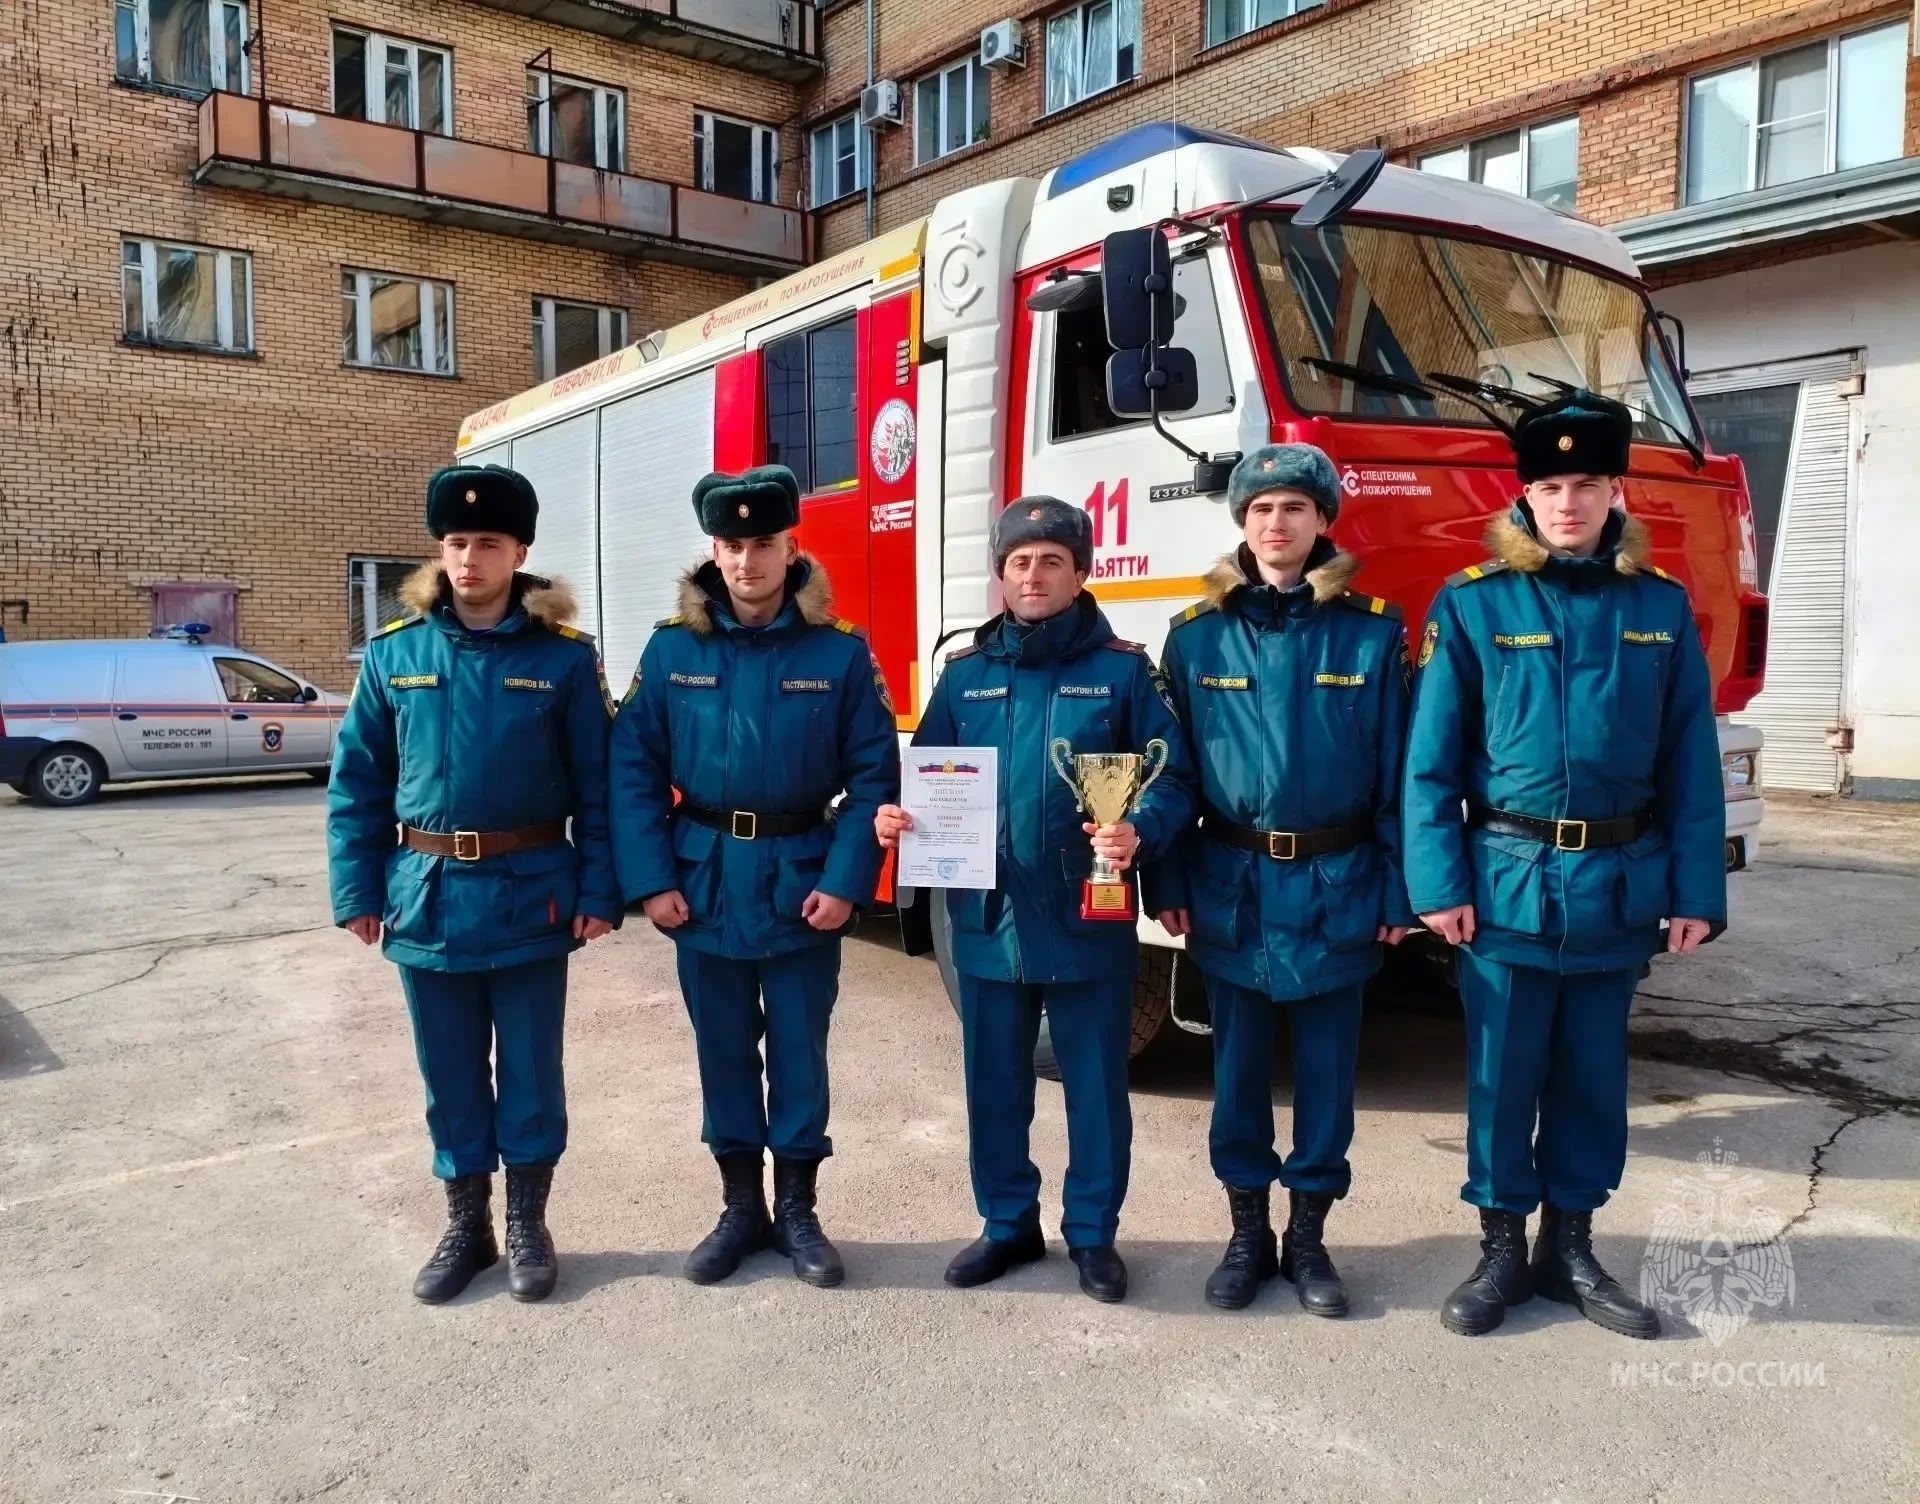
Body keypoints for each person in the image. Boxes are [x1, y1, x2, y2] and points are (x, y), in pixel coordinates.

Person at [1402, 391, 1726, 1339]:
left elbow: (1690, 762)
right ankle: (1501, 1248)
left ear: (1616, 490)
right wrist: (1438, 882)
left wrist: (1696, 890)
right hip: (1507, 880)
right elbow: (1430, 761)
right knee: (1502, 1076)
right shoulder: (1475, 603)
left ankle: (1571, 1248)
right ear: (1526, 497)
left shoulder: (1659, 606)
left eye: (1586, 483)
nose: (1569, 502)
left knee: (1591, 1079)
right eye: (1551, 486)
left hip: (1619, 885)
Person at [875, 498, 1193, 1304]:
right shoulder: (966, 675)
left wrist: (1141, 829)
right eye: (1019, 561)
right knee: (994, 1086)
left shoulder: (1123, 672)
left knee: (1095, 1088)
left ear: (1081, 573)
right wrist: (899, 814)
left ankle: (1092, 1234)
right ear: (1001, 574)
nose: (1033, 575)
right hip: (987, 915)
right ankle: (1006, 1224)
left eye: (1052, 560)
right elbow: (928, 775)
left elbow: (1174, 776)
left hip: (1090, 908)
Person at [328, 464, 620, 1304]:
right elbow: (358, 781)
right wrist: (356, 889)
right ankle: (468, 1225)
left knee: (530, 1070)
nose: (468, 559)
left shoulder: (563, 659)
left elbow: (599, 787)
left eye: (487, 543)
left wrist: (601, 891)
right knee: (449, 1073)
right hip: (426, 895)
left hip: (532, 893)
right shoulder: (396, 653)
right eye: (455, 542)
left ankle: (528, 1223)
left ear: (519, 553)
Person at [609, 465, 899, 1289]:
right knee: (723, 1051)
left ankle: (799, 1210)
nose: (746, 560)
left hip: (802, 878)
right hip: (702, 881)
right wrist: (650, 878)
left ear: (790, 547)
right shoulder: (673, 649)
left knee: (801, 1052)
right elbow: (632, 769)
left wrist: (847, 879)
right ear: (714, 551)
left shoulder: (839, 652)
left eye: (762, 543)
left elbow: (875, 775)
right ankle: (741, 1208)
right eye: (731, 545)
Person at [1147, 445, 1413, 1317]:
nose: (1277, 523)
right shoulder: (1196, 635)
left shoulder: (1373, 633)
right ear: (1242, 521)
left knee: (1328, 1081)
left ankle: (1308, 1240)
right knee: (1238, 1079)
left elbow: (1399, 775)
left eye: (1295, 507)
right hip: (1233, 888)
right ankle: (1247, 1235)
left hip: (1339, 887)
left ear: (1322, 520)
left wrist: (1399, 891)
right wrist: (1165, 878)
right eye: (1261, 509)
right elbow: (1172, 773)